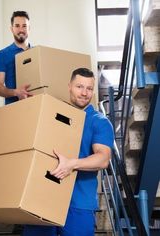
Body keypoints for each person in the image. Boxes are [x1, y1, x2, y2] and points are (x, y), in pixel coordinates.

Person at [22, 68, 114, 236]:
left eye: (89, 88)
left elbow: (103, 159)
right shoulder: (54, 114)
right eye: (79, 86)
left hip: (79, 202)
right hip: (43, 196)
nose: (84, 93)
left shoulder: (99, 122)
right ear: (69, 87)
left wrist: (72, 164)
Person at [0, 11, 32, 105]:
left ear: (29, 28)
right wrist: (16, 92)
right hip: (14, 109)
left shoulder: (37, 53)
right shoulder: (2, 55)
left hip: (36, 106)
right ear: (12, 29)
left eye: (24, 26)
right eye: (17, 26)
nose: (21, 29)